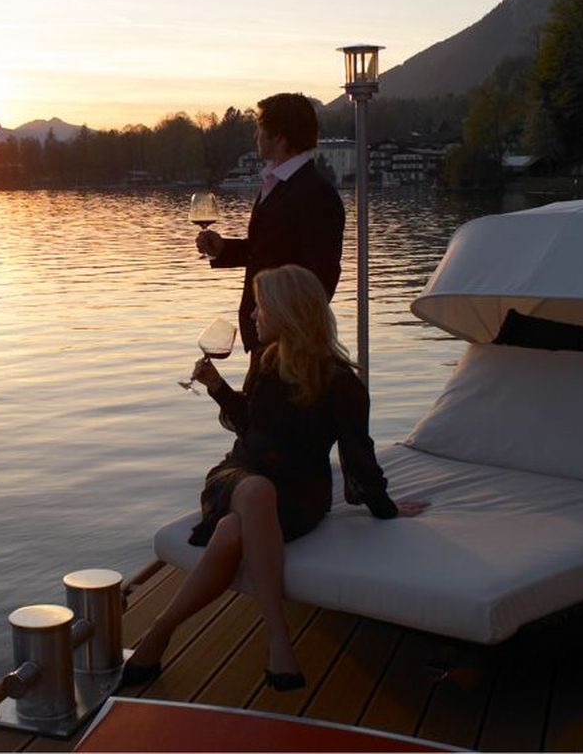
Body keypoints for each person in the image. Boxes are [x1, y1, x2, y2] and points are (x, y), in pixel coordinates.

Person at [123, 265, 427, 692]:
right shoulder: (265, 364)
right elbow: (250, 426)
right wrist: (216, 387)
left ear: (288, 312)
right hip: (237, 477)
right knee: (255, 489)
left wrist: (385, 507)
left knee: (233, 530)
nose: (253, 317)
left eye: (261, 308)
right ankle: (279, 641)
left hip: (298, 496)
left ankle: (158, 632)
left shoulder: (342, 384)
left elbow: (359, 455)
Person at [196, 93, 344, 370]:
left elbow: (323, 274)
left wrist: (283, 321)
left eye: (260, 128)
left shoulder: (316, 193)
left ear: (280, 137)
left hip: (289, 342)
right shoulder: (278, 183)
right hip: (265, 333)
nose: (255, 135)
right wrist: (224, 249)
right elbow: (268, 249)